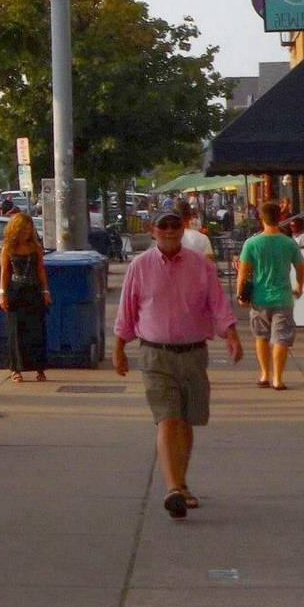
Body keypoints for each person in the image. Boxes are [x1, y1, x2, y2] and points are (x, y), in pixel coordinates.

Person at [114, 203, 243, 520]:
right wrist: (119, 347)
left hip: (193, 353)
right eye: (163, 226)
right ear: (152, 230)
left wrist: (231, 334)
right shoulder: (140, 266)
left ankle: (181, 484)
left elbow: (217, 303)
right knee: (168, 419)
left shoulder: (201, 265)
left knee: (186, 422)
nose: (169, 231)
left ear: (182, 228)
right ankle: (172, 488)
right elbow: (126, 311)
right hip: (155, 354)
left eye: (174, 225)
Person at [236, 200, 304, 391]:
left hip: (260, 298)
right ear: (280, 218)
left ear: (261, 218)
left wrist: (240, 294)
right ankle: (278, 378)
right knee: (281, 338)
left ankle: (265, 374)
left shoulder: (251, 243)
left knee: (261, 337)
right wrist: (299, 285)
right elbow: (300, 268)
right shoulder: (289, 243)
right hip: (283, 297)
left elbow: (243, 272)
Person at [0, 210, 50, 382]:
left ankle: (39, 368)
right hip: (16, 291)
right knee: (16, 332)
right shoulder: (8, 248)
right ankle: (16, 369)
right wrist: (2, 294)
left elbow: (41, 269)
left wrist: (45, 291)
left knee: (36, 330)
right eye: (24, 229)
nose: (27, 232)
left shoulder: (35, 247)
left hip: (33, 290)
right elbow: (5, 272)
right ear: (16, 229)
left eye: (30, 229)